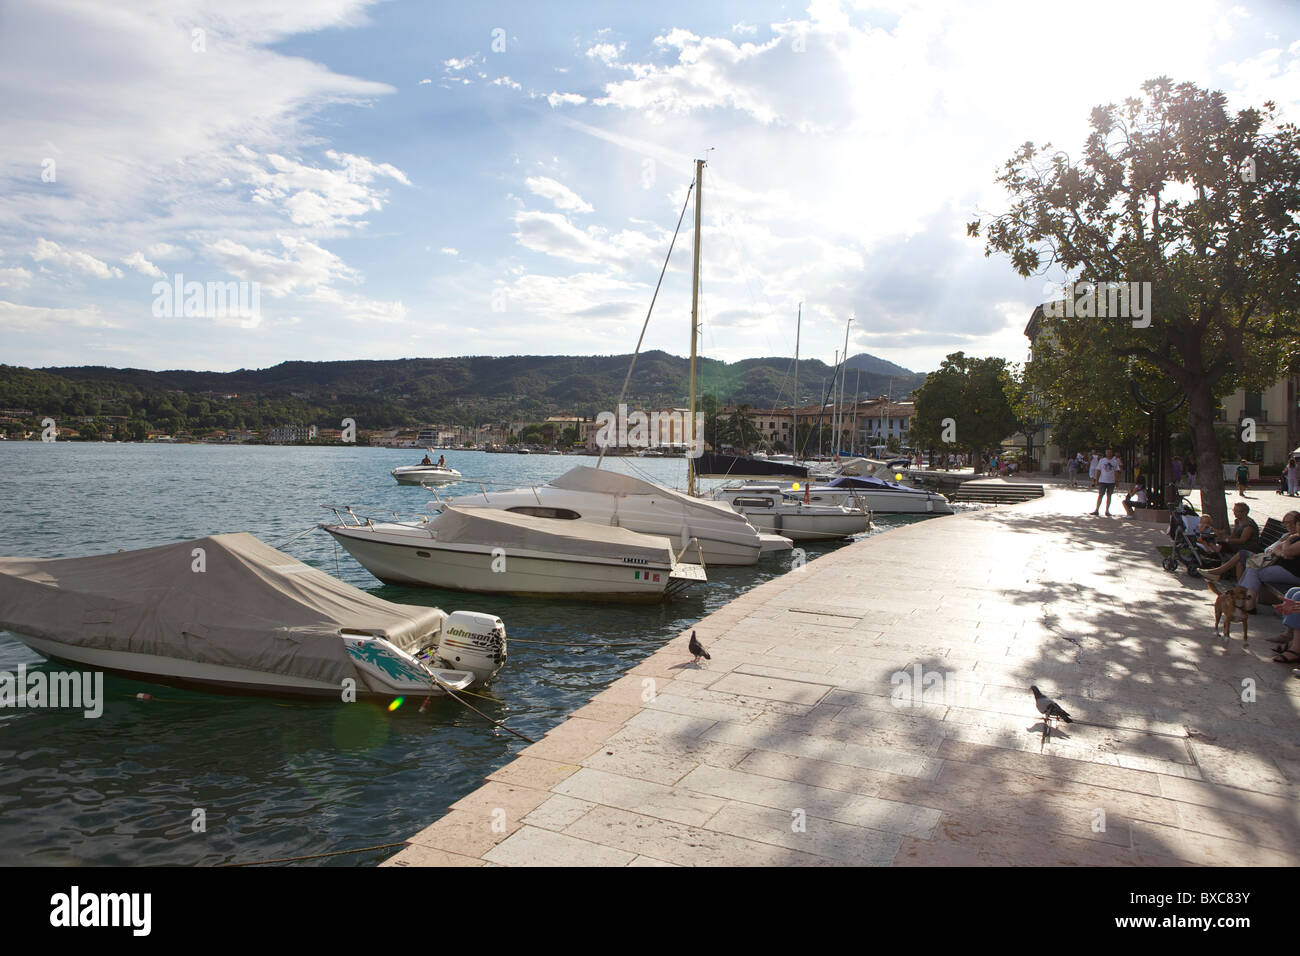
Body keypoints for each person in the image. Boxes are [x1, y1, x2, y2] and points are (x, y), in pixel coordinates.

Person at [1239, 511, 1300, 613]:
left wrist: (1288, 541)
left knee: (1254, 569)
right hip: (1284, 569)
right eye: (1299, 525)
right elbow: (1277, 548)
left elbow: (1287, 550)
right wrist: (1282, 552)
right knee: (1253, 566)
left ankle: (1248, 604)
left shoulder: (1294, 538)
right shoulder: (1295, 537)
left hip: (1294, 574)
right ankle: (1246, 602)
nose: (1299, 527)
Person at [1200, 502, 1262, 581]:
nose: (1234, 513)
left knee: (1225, 547)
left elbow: (1242, 540)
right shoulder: (1237, 521)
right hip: (1238, 546)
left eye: (1237, 511)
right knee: (1221, 544)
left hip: (1248, 547)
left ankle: (1216, 572)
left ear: (1244, 512)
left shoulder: (1249, 525)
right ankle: (1216, 570)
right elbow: (1233, 536)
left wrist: (1227, 540)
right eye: (1234, 510)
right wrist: (1222, 536)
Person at [1091, 447, 1122, 516]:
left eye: (1110, 452)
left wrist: (1117, 481)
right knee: (1101, 495)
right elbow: (1098, 470)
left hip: (1111, 481)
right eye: (1107, 452)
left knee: (1109, 496)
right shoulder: (1102, 460)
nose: (1109, 453)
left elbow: (1117, 471)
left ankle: (1107, 510)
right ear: (1105, 453)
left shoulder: (1114, 462)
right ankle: (1097, 510)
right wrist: (1097, 480)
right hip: (1102, 481)